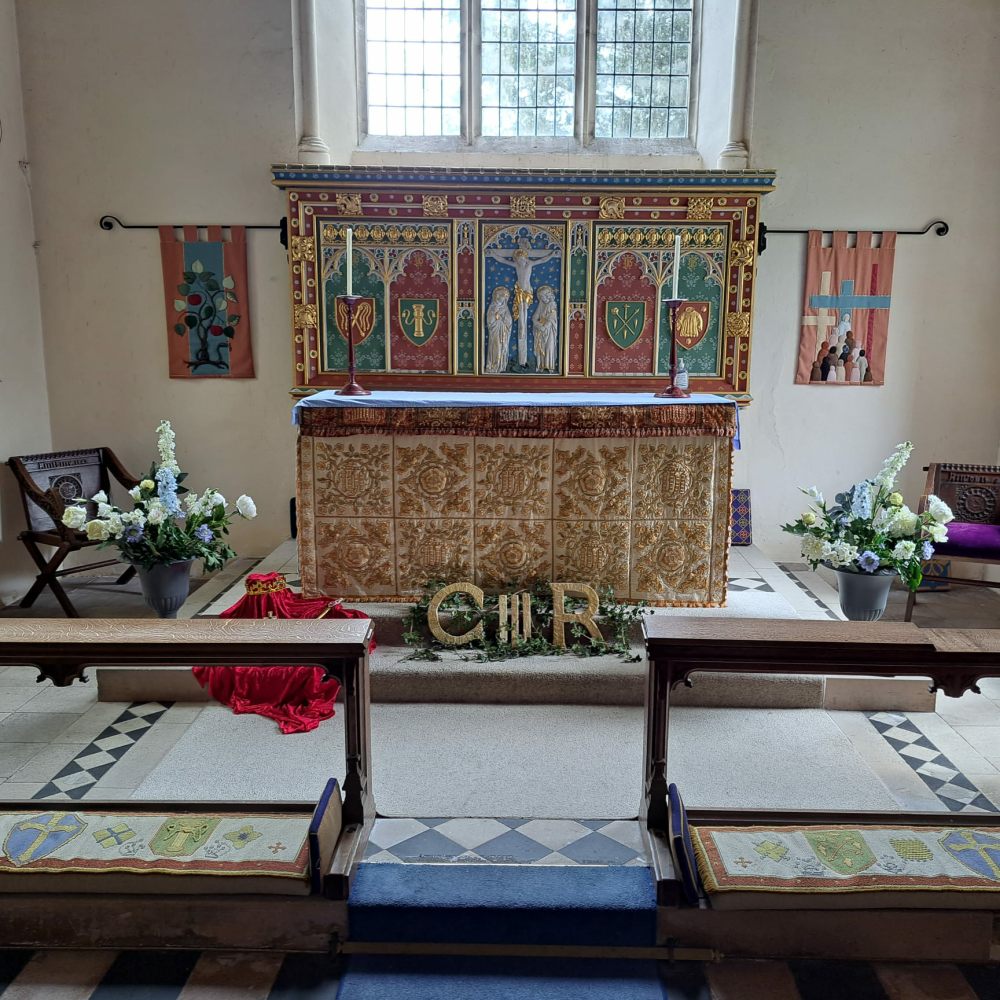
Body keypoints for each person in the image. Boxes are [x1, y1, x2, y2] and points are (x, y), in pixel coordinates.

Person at [486, 236, 560, 368]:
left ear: (525, 258)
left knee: (524, 318)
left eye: (521, 259)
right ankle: (521, 357)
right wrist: (493, 254)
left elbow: (542, 259)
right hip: (519, 292)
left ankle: (525, 357)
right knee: (521, 322)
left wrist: (552, 254)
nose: (520, 261)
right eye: (517, 260)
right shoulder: (516, 265)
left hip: (527, 293)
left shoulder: (530, 264)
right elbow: (502, 259)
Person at [532, 285, 559, 372]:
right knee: (541, 348)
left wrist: (545, 326)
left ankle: (549, 365)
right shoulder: (541, 305)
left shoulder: (552, 305)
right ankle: (541, 366)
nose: (541, 298)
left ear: (548, 295)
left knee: (549, 347)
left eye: (543, 296)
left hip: (549, 330)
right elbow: (534, 317)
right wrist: (537, 324)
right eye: (540, 296)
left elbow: (552, 317)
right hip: (541, 331)